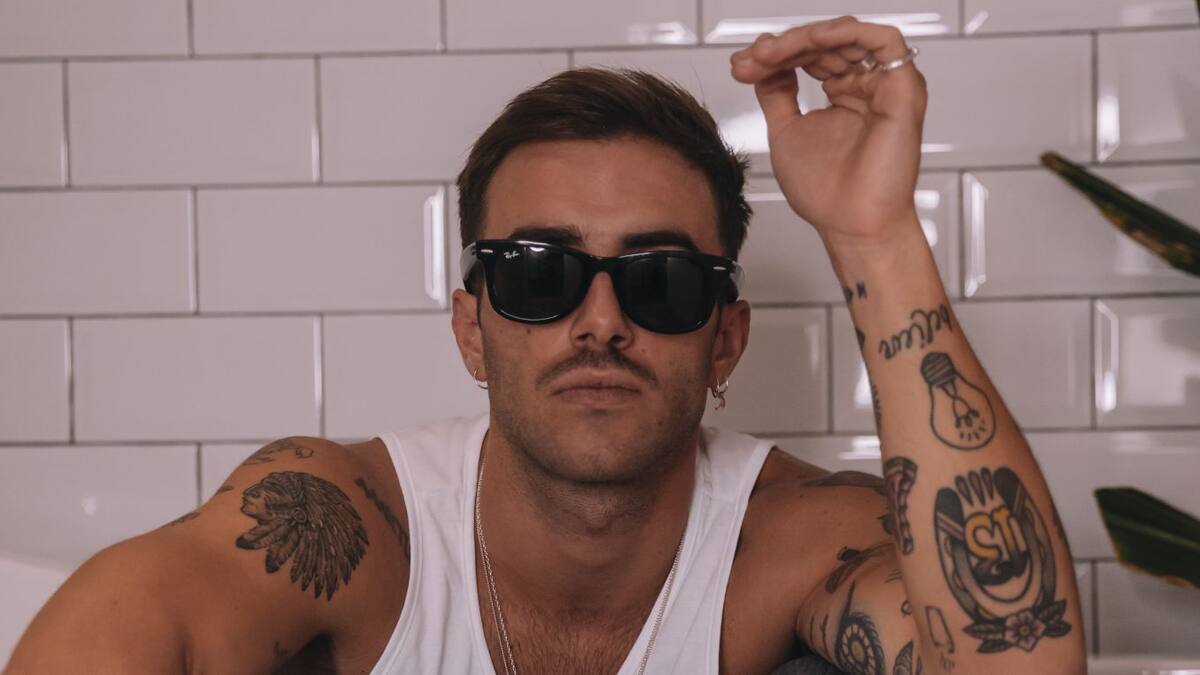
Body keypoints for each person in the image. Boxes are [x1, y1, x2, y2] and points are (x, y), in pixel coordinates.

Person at [6, 16, 1086, 675]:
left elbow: (1023, 667)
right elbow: (116, 628)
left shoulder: (791, 540)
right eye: (539, 274)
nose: (600, 320)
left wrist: (873, 234)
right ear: (472, 329)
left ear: (725, 342)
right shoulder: (355, 525)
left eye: (660, 281)